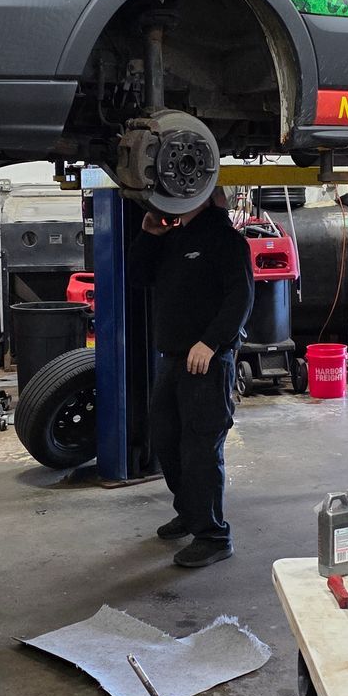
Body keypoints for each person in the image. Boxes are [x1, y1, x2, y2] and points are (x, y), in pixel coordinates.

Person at [135, 188, 253, 568]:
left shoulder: (226, 241)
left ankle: (213, 535)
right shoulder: (175, 238)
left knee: (201, 447)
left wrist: (211, 342)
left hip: (207, 360)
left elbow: (241, 298)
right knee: (166, 439)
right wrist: (149, 235)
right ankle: (189, 511)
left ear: (204, 197)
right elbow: (139, 277)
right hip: (173, 359)